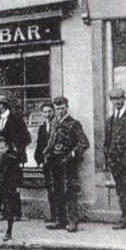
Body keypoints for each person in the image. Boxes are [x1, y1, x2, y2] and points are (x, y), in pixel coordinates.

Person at [44, 97, 89, 232]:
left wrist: (71, 155)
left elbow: (84, 143)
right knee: (57, 192)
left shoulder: (74, 124)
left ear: (67, 107)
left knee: (70, 192)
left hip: (68, 164)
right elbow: (51, 141)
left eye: (62, 108)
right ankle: (60, 220)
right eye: (57, 108)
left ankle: (73, 222)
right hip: (55, 163)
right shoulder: (54, 123)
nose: (60, 111)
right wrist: (47, 152)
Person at [0, 94, 31, 220]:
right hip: (1, 158)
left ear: (1, 106)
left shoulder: (16, 119)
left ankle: (16, 213)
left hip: (13, 158)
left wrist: (15, 150)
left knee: (13, 185)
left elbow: (27, 138)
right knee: (0, 183)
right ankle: (4, 212)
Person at [104, 87, 126, 230]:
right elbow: (107, 142)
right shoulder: (110, 120)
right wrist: (108, 159)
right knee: (121, 191)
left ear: (124, 99)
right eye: (114, 99)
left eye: (119, 98)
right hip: (116, 162)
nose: (117, 101)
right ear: (111, 101)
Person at [0, 136, 21, 241]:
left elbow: (18, 174)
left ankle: (9, 232)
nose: (0, 151)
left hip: (9, 187)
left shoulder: (12, 160)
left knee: (9, 210)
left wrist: (18, 186)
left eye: (2, 148)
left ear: (6, 148)